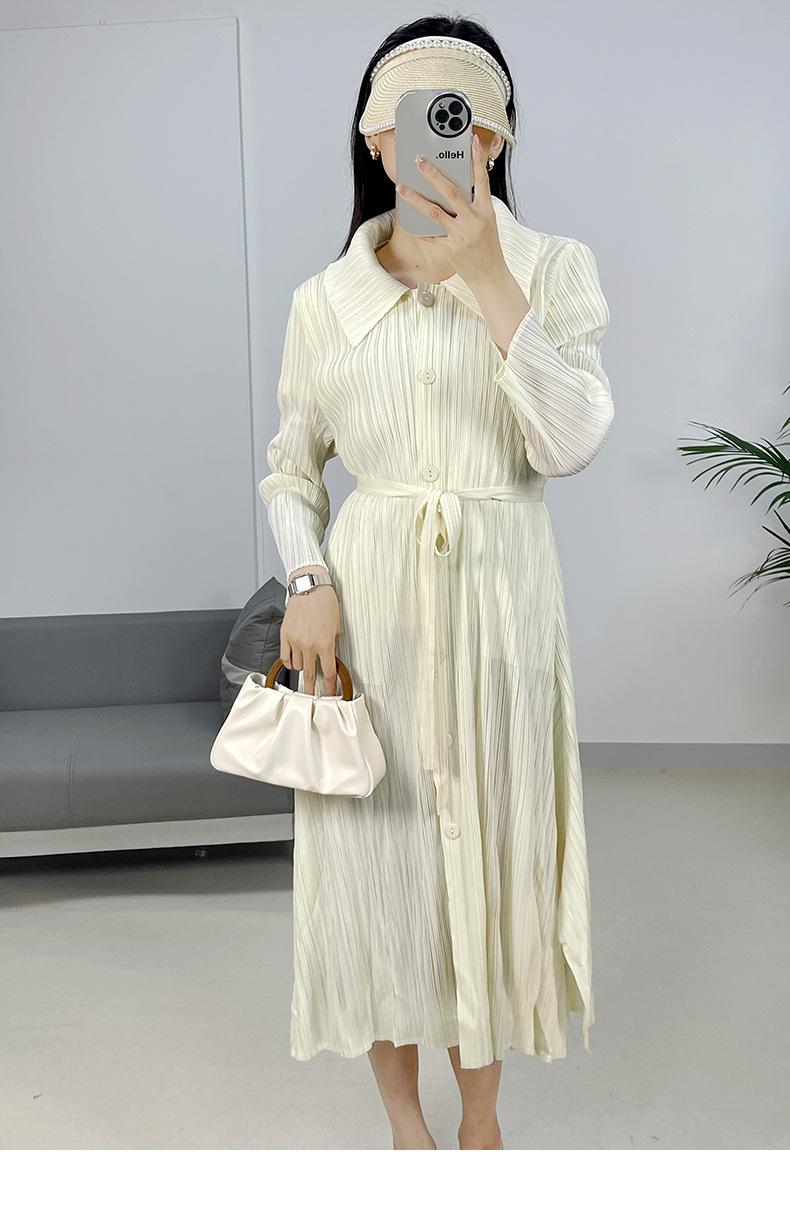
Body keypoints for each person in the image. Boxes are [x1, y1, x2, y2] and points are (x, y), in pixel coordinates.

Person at [258, 15, 615, 1150]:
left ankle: (483, 1122)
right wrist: (306, 576)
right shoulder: (325, 300)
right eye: (415, 119)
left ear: (497, 139)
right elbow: (290, 466)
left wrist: (489, 277)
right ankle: (406, 1127)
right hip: (371, 610)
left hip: (502, 601)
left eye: (469, 121)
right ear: (375, 137)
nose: (446, 144)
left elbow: (569, 441)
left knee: (492, 853)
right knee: (379, 864)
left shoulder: (552, 269)